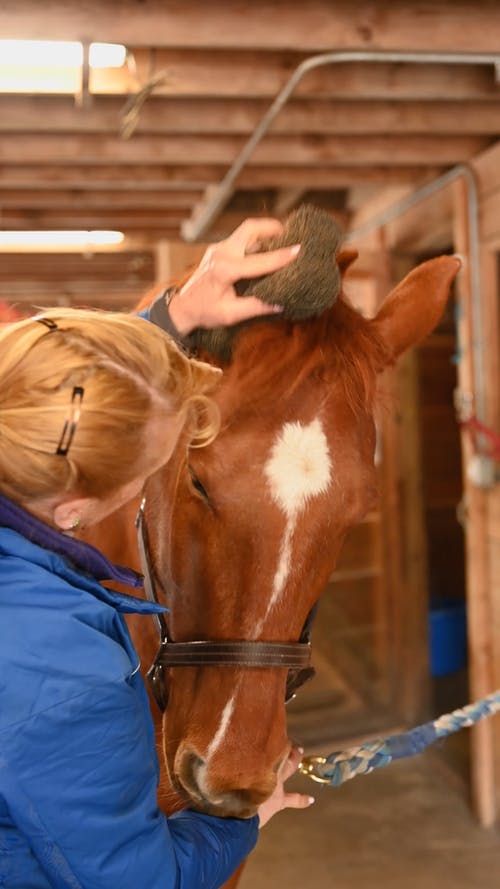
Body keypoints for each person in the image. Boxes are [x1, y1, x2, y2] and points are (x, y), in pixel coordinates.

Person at [0, 218, 313, 889]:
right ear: (76, 511)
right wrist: (241, 823)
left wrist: (176, 314)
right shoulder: (66, 672)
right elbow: (136, 881)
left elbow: (58, 401)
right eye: (151, 468)